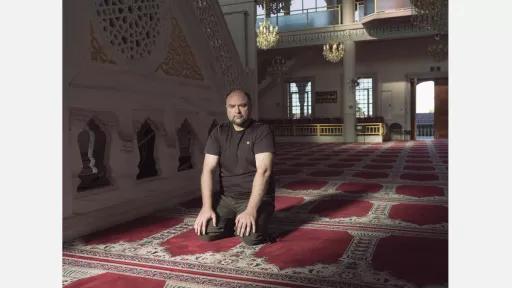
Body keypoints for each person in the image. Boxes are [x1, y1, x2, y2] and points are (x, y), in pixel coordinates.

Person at [193, 89, 275, 246]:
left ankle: (256, 216)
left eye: (242, 106)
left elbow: (264, 171)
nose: (237, 111)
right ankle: (234, 220)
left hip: (255, 197)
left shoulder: (262, 131)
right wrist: (206, 207)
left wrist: (251, 210)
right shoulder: (218, 133)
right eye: (232, 106)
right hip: (228, 198)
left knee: (251, 238)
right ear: (226, 108)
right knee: (205, 232)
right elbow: (208, 170)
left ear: (250, 107)